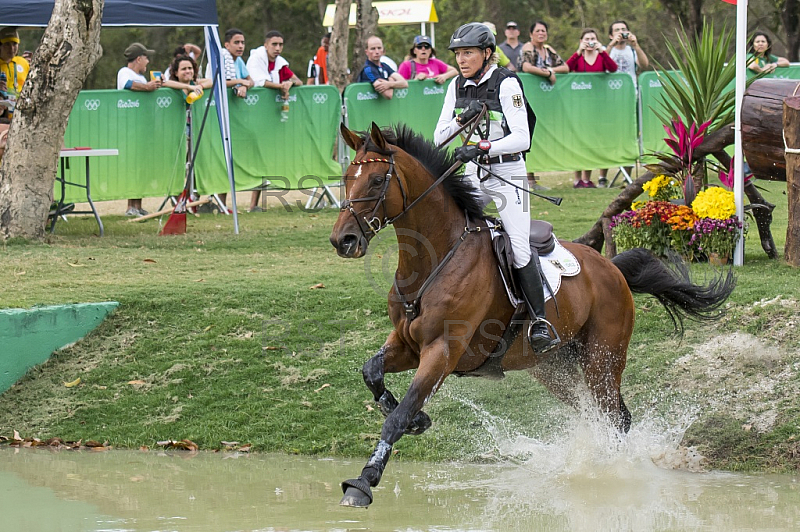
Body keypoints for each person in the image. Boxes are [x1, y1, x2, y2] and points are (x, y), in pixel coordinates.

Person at [434, 22, 558, 354]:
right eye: (458, 54)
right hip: (475, 172)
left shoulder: (507, 83)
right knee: (453, 232)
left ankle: (539, 322)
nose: (461, 60)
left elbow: (522, 137)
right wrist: (462, 121)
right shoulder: (455, 86)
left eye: (468, 53)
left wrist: (483, 147)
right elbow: (439, 137)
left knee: (518, 245)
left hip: (507, 172)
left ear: (487, 53)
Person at [246, 30, 303, 212]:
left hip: (271, 118)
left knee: (265, 158)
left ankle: (256, 204)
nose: (278, 48)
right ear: (266, 45)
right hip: (252, 116)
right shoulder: (255, 60)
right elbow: (259, 82)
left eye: (281, 44)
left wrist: (289, 84)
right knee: (254, 157)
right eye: (274, 44)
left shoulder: (280, 63)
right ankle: (248, 203)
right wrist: (281, 85)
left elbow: (298, 81)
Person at [597, 20, 649, 186]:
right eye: (617, 30)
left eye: (624, 29)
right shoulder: (607, 50)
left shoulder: (631, 50)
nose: (621, 32)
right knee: (607, 135)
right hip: (610, 98)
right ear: (611, 35)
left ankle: (627, 176)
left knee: (629, 135)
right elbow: (599, 63)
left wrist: (636, 46)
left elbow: (644, 65)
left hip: (630, 97)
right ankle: (602, 176)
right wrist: (611, 45)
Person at [566, 28, 618, 188]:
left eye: (593, 38)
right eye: (587, 38)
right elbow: (567, 68)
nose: (590, 41)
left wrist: (602, 51)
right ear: (581, 41)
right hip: (580, 105)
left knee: (591, 139)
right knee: (578, 140)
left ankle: (587, 179)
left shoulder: (601, 56)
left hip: (598, 106)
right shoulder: (579, 57)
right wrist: (578, 52)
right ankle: (577, 179)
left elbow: (613, 68)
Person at [117, 42, 162, 216]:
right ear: (138, 59)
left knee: (142, 166)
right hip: (130, 128)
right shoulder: (124, 72)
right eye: (146, 58)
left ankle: (138, 205)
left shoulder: (142, 77)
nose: (148, 62)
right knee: (133, 166)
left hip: (143, 128)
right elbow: (128, 85)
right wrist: (147, 87)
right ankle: (130, 206)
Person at [518, 21, 569, 86]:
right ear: (531, 34)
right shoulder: (528, 47)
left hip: (546, 88)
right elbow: (526, 67)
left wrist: (550, 70)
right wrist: (548, 74)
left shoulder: (548, 49)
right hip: (528, 86)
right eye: (537, 31)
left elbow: (565, 68)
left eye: (543, 31)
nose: (541, 33)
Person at [0, 27, 30, 118]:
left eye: (15, 44)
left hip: (21, 114)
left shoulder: (23, 63)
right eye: (7, 44)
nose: (12, 48)